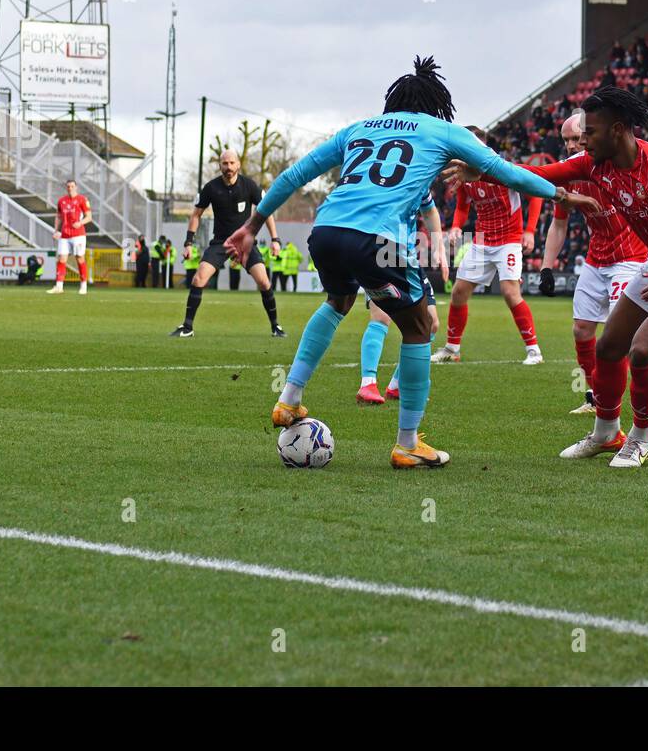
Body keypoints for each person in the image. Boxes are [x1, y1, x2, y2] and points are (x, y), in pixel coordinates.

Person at [223, 55, 596, 469]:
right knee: (418, 326)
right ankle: (407, 443)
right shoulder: (443, 130)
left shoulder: (359, 128)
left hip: (327, 231)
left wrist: (253, 225)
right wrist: (562, 195)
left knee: (338, 300)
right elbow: (507, 172)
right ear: (437, 105)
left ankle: (288, 400)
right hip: (378, 240)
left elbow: (294, 175)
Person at [448, 87, 648, 469]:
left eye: (590, 132)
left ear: (617, 130)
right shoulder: (594, 163)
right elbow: (535, 175)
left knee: (643, 349)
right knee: (607, 347)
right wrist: (482, 170)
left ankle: (642, 438)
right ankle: (604, 433)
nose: (582, 141)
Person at [538, 111, 648, 414]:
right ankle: (594, 395)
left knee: (619, 333)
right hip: (596, 257)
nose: (572, 145)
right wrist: (547, 266)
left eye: (576, 138)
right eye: (566, 140)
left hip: (631, 258)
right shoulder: (569, 174)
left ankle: (620, 401)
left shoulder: (616, 166)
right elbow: (558, 224)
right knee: (581, 330)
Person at [431, 127, 544, 365]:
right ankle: (452, 349)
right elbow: (463, 206)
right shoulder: (465, 175)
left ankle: (534, 351)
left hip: (509, 241)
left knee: (509, 292)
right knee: (459, 292)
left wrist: (530, 231)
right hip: (482, 241)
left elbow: (536, 193)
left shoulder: (503, 169)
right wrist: (455, 227)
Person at [170, 149, 285, 338]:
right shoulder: (211, 188)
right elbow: (196, 215)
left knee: (264, 282)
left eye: (232, 163)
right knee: (199, 279)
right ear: (220, 166)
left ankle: (276, 327)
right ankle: (187, 327)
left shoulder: (249, 186)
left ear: (238, 165)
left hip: (245, 244)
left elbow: (266, 212)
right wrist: (188, 242)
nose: (228, 167)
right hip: (220, 243)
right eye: (225, 163)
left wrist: (275, 239)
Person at [357, 188, 450, 405]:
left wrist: (439, 248)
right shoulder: (379, 179)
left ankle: (396, 386)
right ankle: (367, 384)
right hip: (379, 254)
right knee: (381, 317)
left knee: (431, 323)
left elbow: (430, 210)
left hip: (408, 261)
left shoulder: (420, 179)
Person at [46, 179, 92, 295]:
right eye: (68, 186)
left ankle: (83, 286)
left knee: (79, 259)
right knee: (61, 259)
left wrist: (80, 223)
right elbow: (58, 216)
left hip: (78, 235)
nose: (70, 188)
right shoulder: (62, 201)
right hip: (65, 235)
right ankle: (59, 286)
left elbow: (89, 217)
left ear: (76, 187)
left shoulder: (82, 199)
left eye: (72, 186)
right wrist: (56, 230)